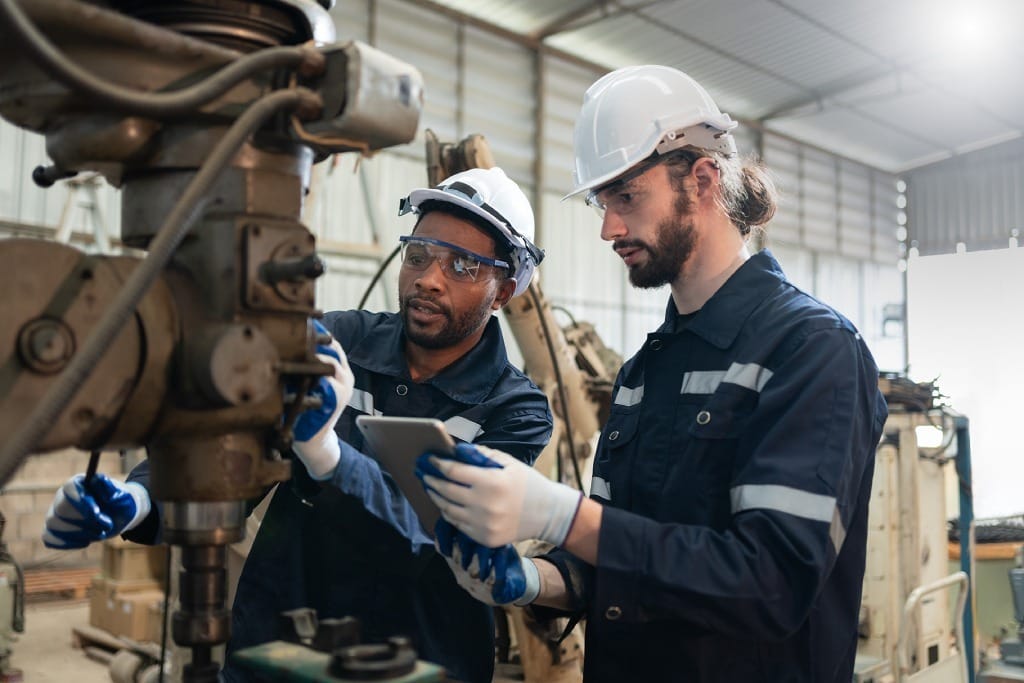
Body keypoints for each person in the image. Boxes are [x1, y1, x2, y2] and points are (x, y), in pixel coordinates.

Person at [417, 66, 889, 682]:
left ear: (702, 180)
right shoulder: (645, 371)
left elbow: (770, 586)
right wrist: (537, 579)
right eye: (601, 202)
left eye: (626, 197)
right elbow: (617, 555)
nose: (608, 227)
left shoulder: (811, 349)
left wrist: (564, 514)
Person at [42, 166, 553, 683]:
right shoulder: (342, 340)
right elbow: (237, 437)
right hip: (278, 648)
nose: (427, 278)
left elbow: (446, 539)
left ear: (504, 290)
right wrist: (142, 499)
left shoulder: (515, 411)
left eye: (463, 265)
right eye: (418, 254)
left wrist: (328, 456)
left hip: (422, 659)